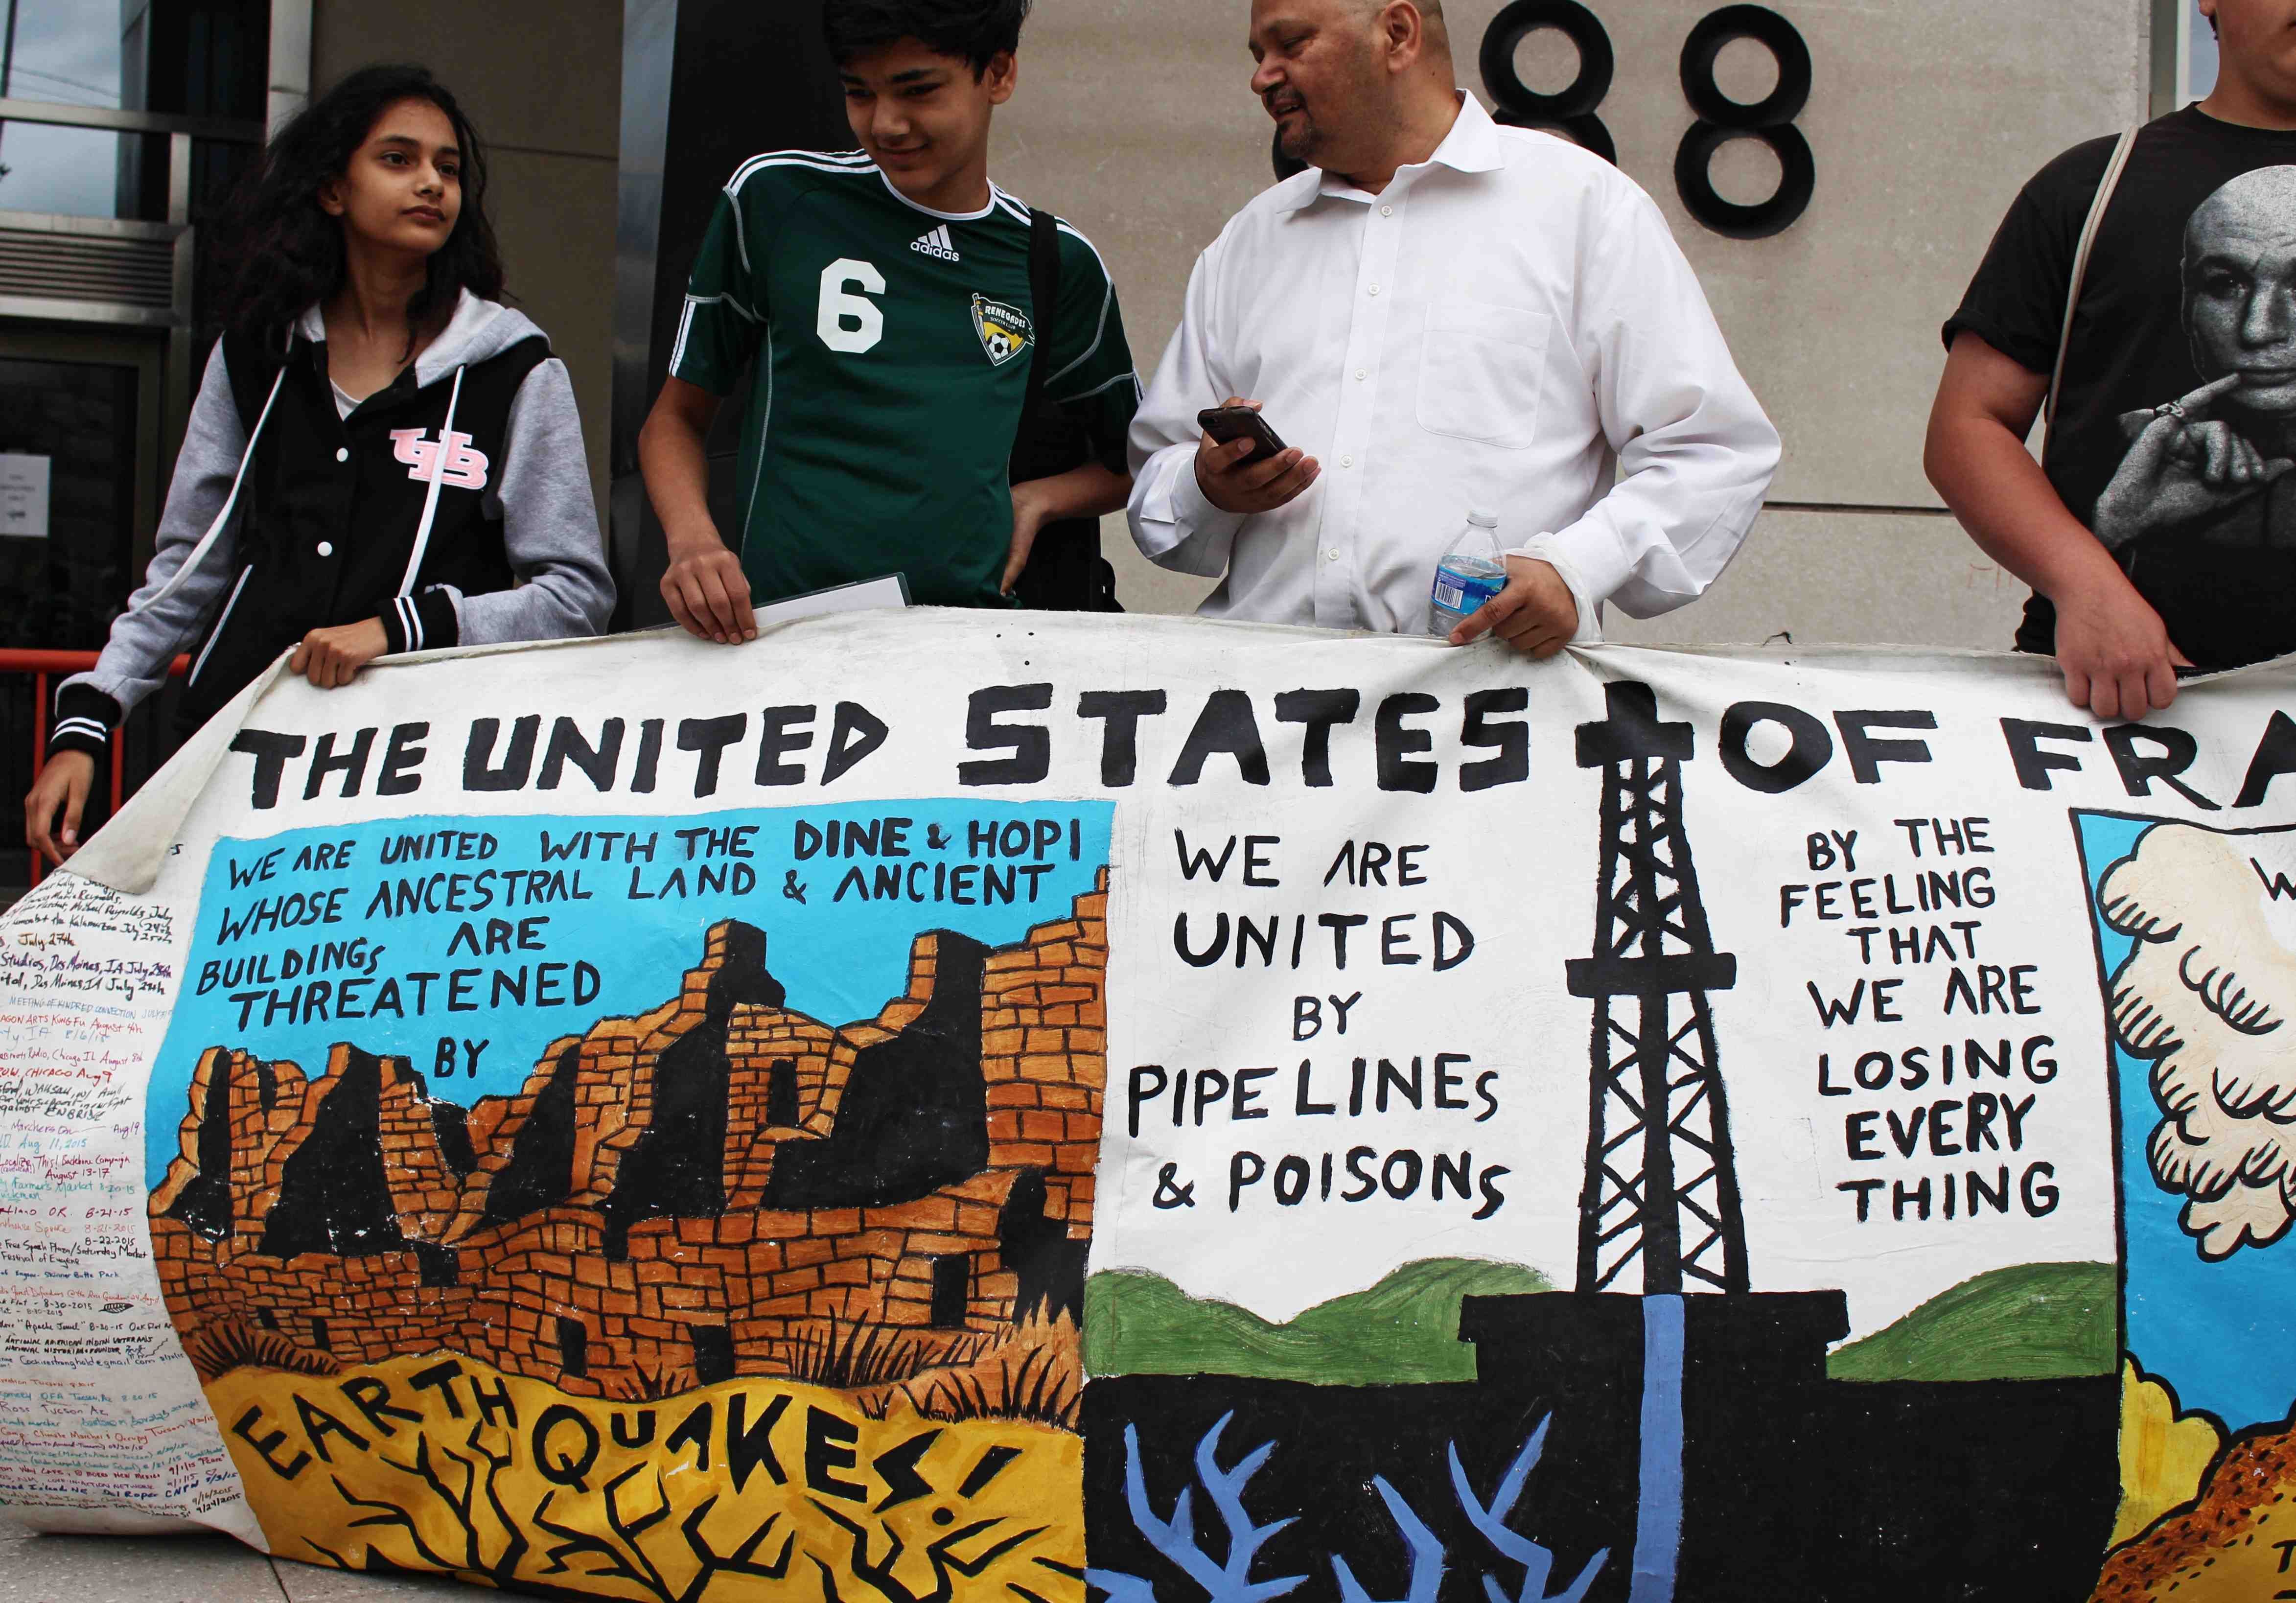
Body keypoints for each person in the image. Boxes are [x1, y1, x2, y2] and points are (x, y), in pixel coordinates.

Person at [22, 64, 613, 868]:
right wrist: (89, 720)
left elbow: (576, 597)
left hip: (424, 777)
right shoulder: (255, 355)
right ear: (333, 189)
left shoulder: (515, 368)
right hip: (237, 756)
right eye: (399, 159)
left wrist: (402, 629)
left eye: (447, 168)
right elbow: (188, 568)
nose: (432, 184)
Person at [1124, 0, 1778, 655]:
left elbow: (1713, 450)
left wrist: (1575, 570)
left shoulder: (1584, 210)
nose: (1262, 77)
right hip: (1263, 695)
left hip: (1484, 700)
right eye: (1258, 55)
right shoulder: (1249, 242)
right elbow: (1156, 476)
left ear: (1397, 34)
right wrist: (1206, 487)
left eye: (1290, 45)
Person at [639, 0, 1141, 643]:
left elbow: (1137, 459)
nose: (886, 124)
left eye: (918, 90)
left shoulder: (1057, 262)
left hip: (968, 652)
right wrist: (693, 543)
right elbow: (674, 420)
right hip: (778, 642)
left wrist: (1038, 501)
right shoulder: (777, 198)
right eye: (859, 92)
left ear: (999, 74)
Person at [1928, 0, 2296, 718]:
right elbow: (1969, 427)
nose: (2260, 330)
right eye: (2225, 285)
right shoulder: (2091, 190)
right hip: (2112, 710)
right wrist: (2089, 582)